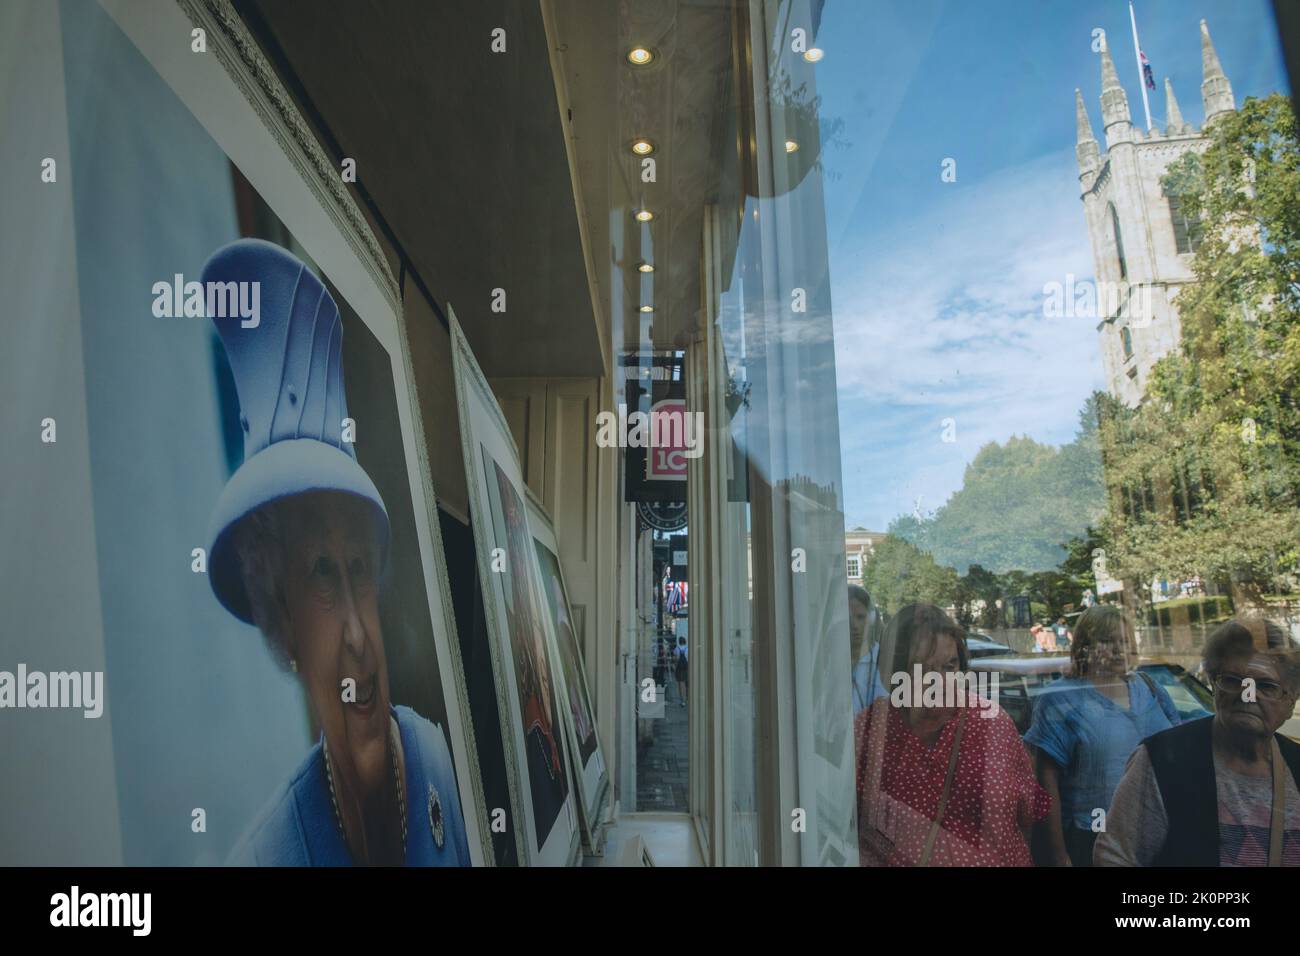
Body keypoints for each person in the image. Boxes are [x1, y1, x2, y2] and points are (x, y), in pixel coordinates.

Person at [206, 239, 469, 866]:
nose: (358, 634)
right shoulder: (262, 859)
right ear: (283, 625)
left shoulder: (436, 758)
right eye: (323, 573)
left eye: (358, 570)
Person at [856, 603, 1050, 866]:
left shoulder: (991, 723)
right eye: (923, 669)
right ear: (894, 673)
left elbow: (1026, 815)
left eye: (950, 666)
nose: (941, 683)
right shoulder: (869, 729)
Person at [1095, 618, 1300, 866]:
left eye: (1266, 686)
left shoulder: (1295, 764)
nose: (1248, 695)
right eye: (1234, 680)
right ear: (1214, 684)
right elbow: (1115, 858)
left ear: (1290, 702)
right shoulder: (1161, 758)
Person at [1024, 604, 1182, 866]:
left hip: (1159, 827)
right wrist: (1058, 855)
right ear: (1085, 646)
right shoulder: (1061, 698)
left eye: (1124, 641)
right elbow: (1045, 780)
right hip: (1094, 836)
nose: (1119, 649)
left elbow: (1178, 747)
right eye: (1108, 641)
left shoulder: (1149, 687)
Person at [849, 585, 887, 714]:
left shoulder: (884, 659)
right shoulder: (827, 664)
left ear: (871, 619)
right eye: (847, 618)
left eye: (860, 617)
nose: (854, 625)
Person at [675, 635, 689, 708]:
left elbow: (676, 659)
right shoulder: (688, 649)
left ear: (679, 642)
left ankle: (682, 701)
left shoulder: (677, 649)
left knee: (681, 684)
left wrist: (675, 666)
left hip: (679, 669)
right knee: (686, 683)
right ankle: (687, 697)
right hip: (687, 668)